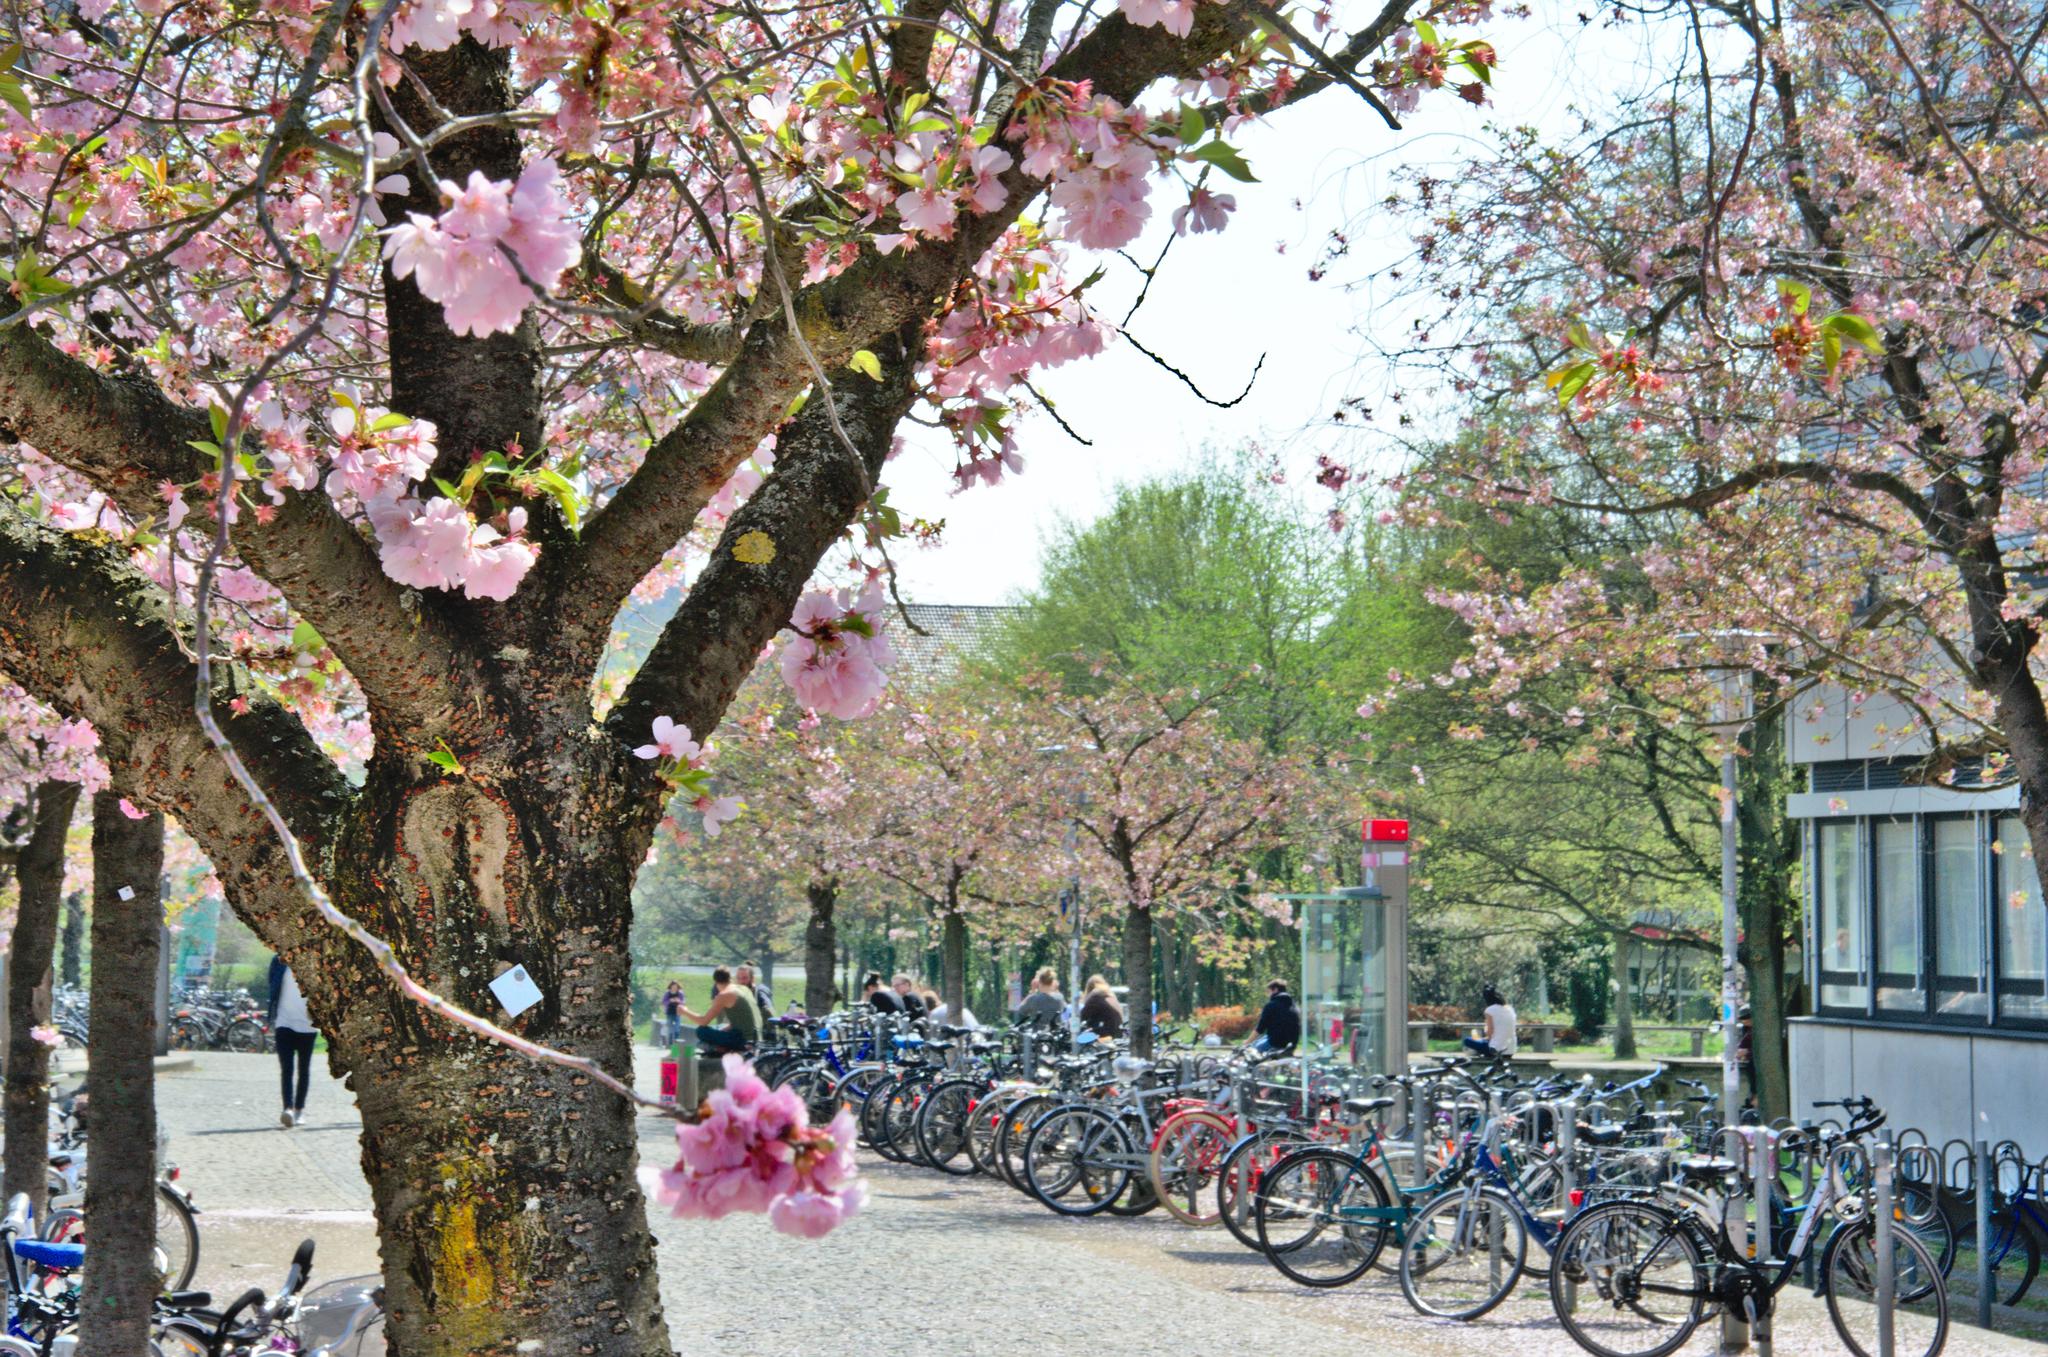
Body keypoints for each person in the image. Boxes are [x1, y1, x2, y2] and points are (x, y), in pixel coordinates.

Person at [267, 955, 317, 1128]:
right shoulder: (279, 961)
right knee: (286, 1069)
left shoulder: (314, 961)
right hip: (284, 1022)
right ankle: (287, 1108)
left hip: (308, 1025)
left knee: (304, 1070)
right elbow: (272, 984)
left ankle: (299, 1109)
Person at [678, 966, 761, 1054]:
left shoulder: (724, 995)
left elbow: (703, 1021)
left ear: (715, 982)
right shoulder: (740, 989)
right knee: (715, 1031)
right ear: (730, 978)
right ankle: (722, 1047)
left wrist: (685, 1011)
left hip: (742, 1039)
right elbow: (742, 1019)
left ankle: (724, 1048)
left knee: (701, 1031)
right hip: (754, 1036)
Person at [1463, 984, 1518, 1057]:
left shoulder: (1490, 1010)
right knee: (1481, 1041)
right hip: (1510, 1050)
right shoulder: (1510, 1008)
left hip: (1495, 1049)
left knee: (1467, 1040)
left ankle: (1483, 1053)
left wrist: (1484, 1034)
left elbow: (1490, 1032)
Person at [1253, 978, 1301, 1055]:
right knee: (1257, 1042)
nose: (1268, 995)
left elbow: (1260, 1029)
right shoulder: (1294, 1005)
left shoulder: (1271, 1005)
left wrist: (1247, 1042)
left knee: (1251, 1050)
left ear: (1275, 990)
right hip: (1292, 1044)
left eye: (1268, 992)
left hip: (1276, 1043)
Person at [1078, 975, 1124, 1039]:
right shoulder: (1109, 996)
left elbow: (1082, 1016)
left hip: (1106, 1033)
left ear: (1088, 988)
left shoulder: (1095, 998)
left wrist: (1072, 1023)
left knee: (1082, 1038)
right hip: (1117, 1031)